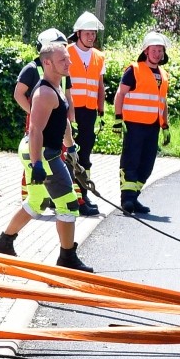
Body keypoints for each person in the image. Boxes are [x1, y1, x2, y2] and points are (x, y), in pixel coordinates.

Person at [0, 41, 92, 270]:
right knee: (68, 204)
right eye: (62, 60)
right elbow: (35, 130)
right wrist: (37, 164)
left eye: (68, 58)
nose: (69, 63)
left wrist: (72, 146)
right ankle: (67, 258)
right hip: (43, 153)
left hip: (41, 150)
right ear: (47, 63)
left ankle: (4, 242)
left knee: (36, 201)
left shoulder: (57, 86)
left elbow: (63, 121)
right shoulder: (45, 92)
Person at [13, 28, 96, 216]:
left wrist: (70, 120)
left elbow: (67, 96)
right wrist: (34, 112)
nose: (66, 56)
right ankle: (47, 200)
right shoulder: (33, 68)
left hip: (60, 120)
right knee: (35, 164)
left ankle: (70, 200)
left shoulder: (62, 70)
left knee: (63, 163)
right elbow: (18, 94)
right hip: (40, 122)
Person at [114, 31, 171, 215]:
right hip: (134, 125)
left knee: (147, 164)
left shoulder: (163, 74)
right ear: (146, 51)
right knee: (131, 161)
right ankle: (127, 200)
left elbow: (162, 102)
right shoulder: (134, 70)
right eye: (154, 50)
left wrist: (165, 126)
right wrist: (117, 118)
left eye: (160, 50)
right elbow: (120, 94)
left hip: (153, 126)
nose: (158, 54)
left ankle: (134, 196)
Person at [65, 12, 107, 214]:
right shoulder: (66, 53)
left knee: (85, 156)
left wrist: (101, 110)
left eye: (94, 33)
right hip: (69, 111)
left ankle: (83, 194)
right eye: (88, 33)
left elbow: (100, 85)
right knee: (68, 155)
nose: (91, 37)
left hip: (89, 113)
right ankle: (70, 197)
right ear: (78, 33)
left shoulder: (99, 57)